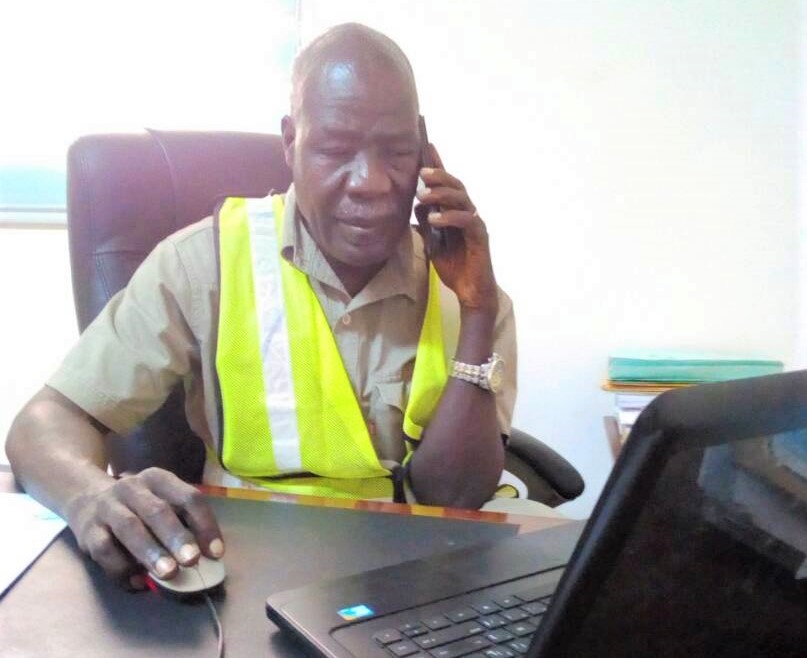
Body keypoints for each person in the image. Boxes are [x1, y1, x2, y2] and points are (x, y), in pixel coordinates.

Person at [6, 23, 517, 590]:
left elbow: (455, 498)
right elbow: (44, 421)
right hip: (248, 576)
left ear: (423, 147)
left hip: (413, 582)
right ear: (290, 142)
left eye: (397, 152)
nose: (370, 183)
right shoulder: (203, 264)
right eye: (335, 150)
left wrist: (477, 313)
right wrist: (90, 495)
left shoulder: (464, 284)